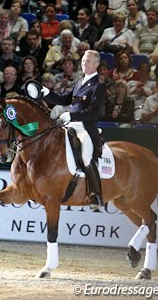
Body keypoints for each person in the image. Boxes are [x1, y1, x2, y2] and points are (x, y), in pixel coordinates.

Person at [48, 50, 107, 210]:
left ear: (96, 64)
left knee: (86, 156)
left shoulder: (99, 86)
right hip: (69, 124)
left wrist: (71, 116)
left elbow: (93, 113)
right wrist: (46, 94)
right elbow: (65, 99)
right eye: (82, 60)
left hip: (84, 128)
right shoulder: (80, 82)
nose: (84, 63)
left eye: (87, 61)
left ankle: (96, 194)